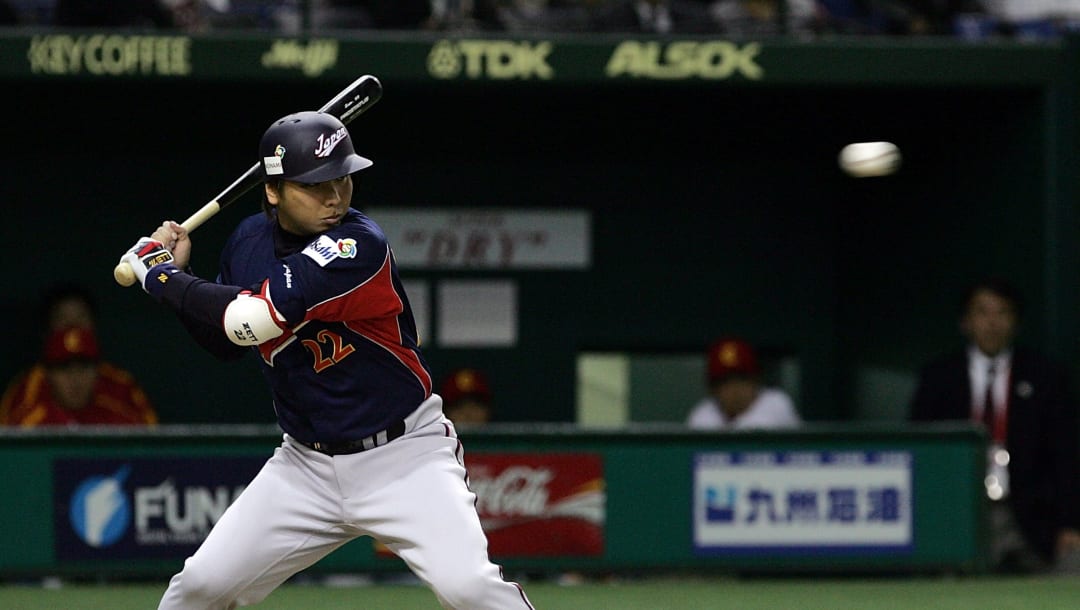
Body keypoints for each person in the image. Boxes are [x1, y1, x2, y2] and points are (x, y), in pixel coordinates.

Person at [118, 110, 533, 609]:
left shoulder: (358, 245)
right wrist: (174, 275)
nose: (334, 196)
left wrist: (159, 277)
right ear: (272, 191)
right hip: (305, 465)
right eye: (314, 185)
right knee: (200, 588)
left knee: (471, 590)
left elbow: (249, 321)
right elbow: (227, 345)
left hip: (404, 456)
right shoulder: (248, 241)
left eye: (342, 179)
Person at [909, 276, 1080, 573]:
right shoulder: (938, 377)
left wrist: (1070, 523)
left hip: (1030, 515)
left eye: (1002, 313)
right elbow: (920, 451)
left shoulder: (1045, 376)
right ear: (965, 322)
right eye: (982, 312)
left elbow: (1067, 455)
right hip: (959, 513)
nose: (992, 322)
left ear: (1016, 322)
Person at [0, 325, 158, 426]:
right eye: (64, 368)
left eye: (84, 367)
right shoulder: (27, 423)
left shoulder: (120, 414)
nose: (75, 378)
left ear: (98, 371)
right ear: (48, 375)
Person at [686, 337, 801, 430]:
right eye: (726, 382)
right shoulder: (702, 416)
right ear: (713, 389)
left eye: (742, 379)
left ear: (756, 381)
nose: (735, 389)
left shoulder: (777, 404)